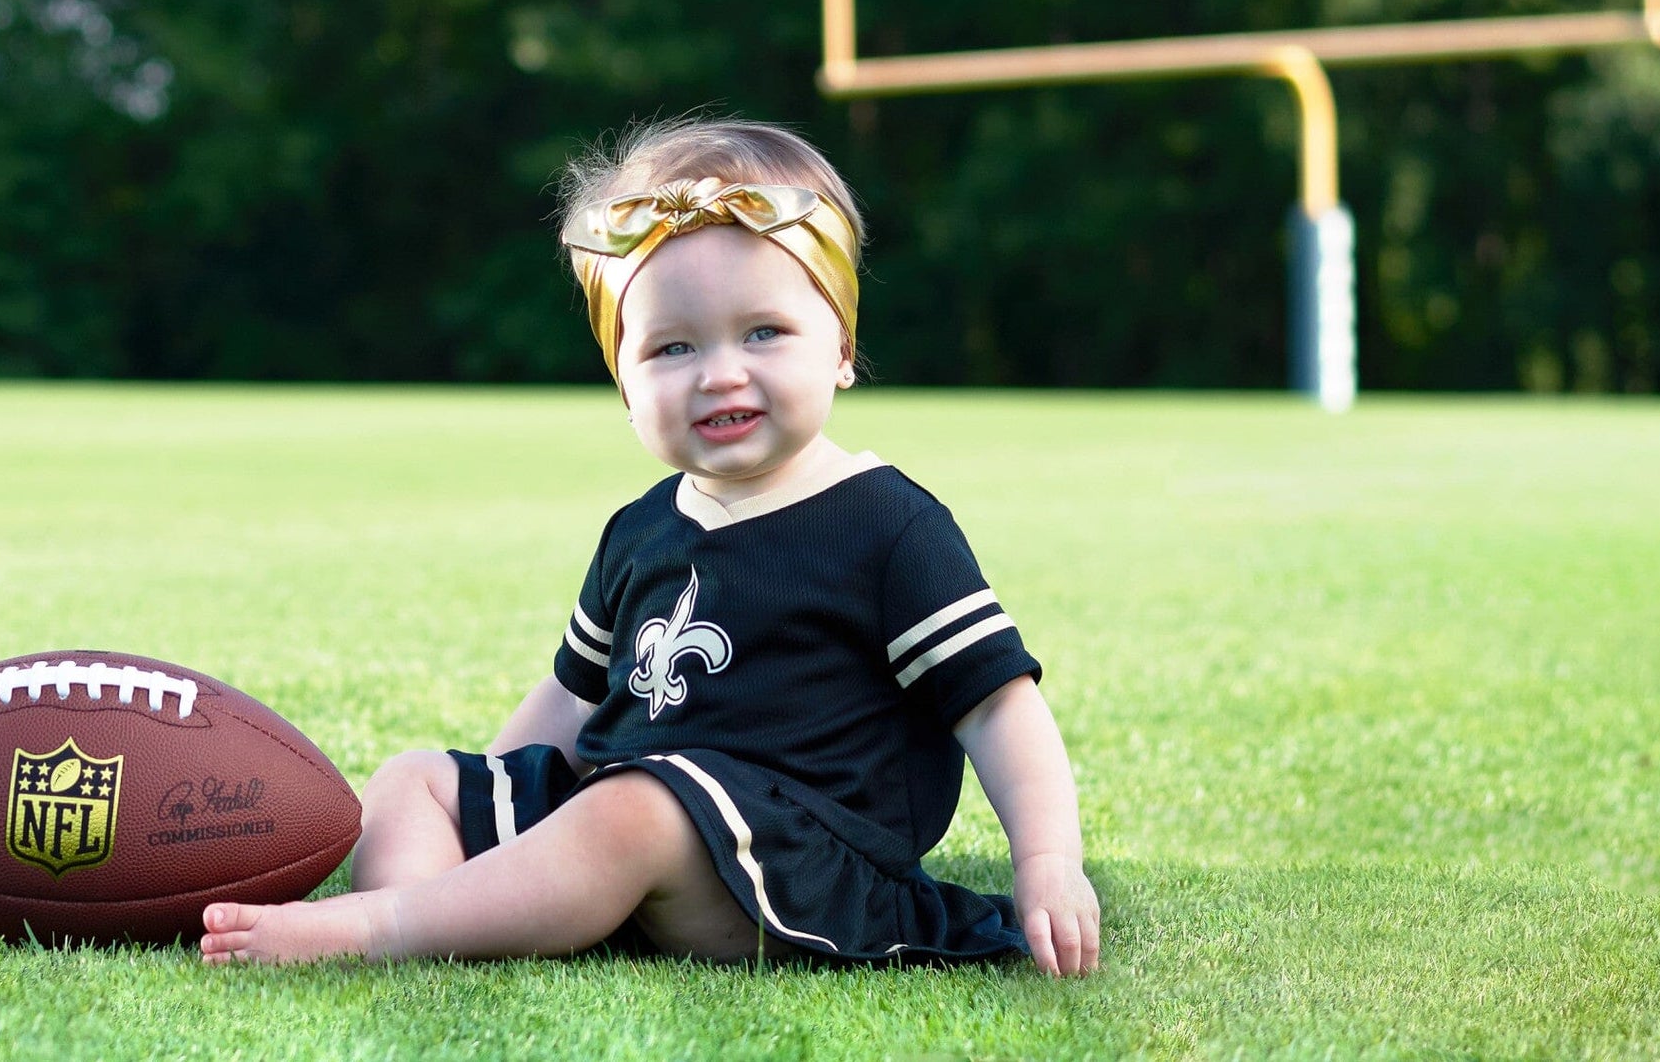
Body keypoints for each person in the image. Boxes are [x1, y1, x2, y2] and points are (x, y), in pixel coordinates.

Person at [202, 116, 1100, 975]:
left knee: (639, 808)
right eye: (671, 348)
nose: (719, 373)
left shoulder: (887, 523)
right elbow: (570, 695)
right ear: (624, 383)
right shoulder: (642, 528)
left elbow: (995, 706)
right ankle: (465, 914)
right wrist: (494, 803)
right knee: (413, 780)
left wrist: (1049, 859)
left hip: (798, 866)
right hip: (628, 819)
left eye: (764, 332)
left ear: (842, 348)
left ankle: (385, 926)